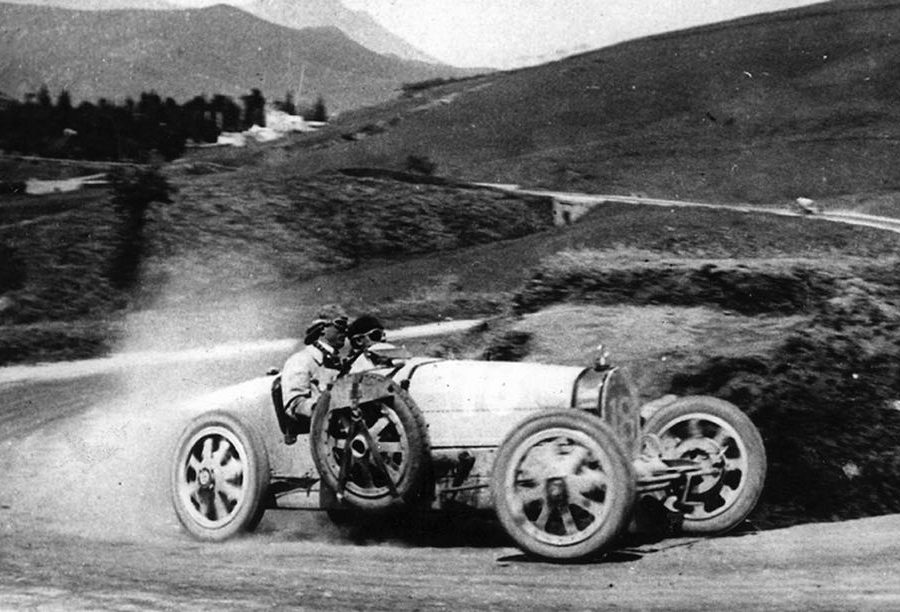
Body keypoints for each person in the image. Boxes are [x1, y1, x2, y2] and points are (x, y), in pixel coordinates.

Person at [281, 311, 348, 421]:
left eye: (346, 326)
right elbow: (295, 404)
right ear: (322, 329)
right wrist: (324, 410)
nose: (345, 331)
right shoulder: (301, 360)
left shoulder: (338, 363)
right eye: (340, 324)